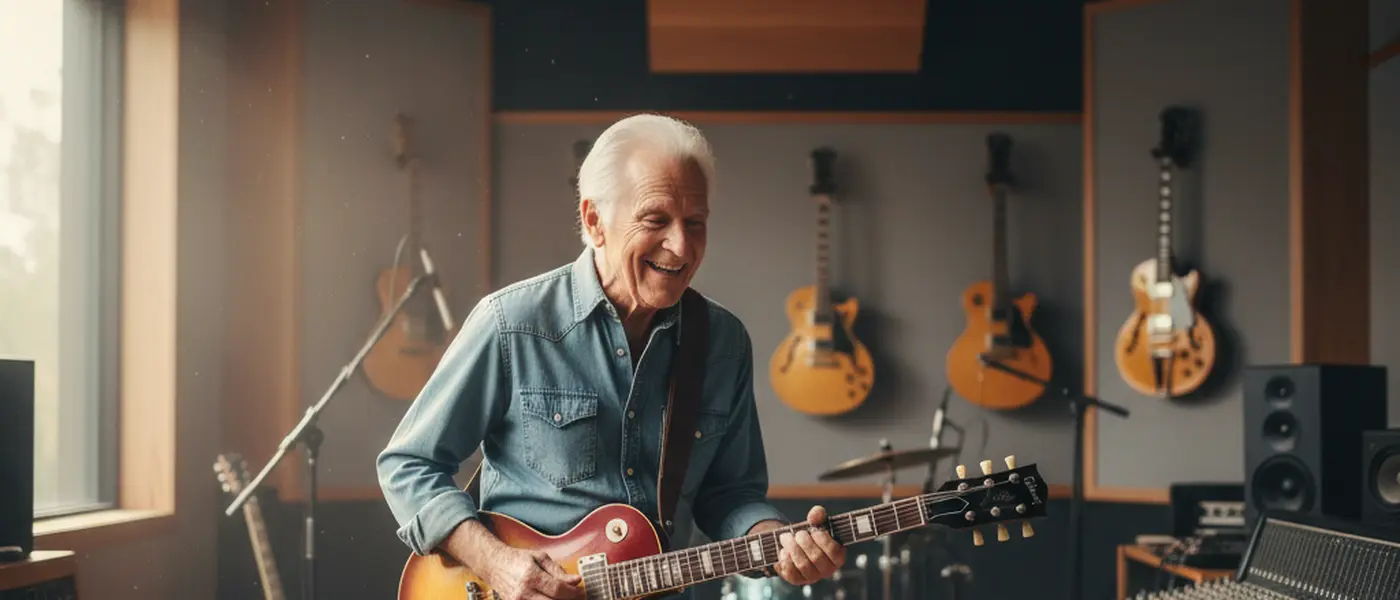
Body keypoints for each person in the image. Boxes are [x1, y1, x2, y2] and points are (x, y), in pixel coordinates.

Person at [376, 113, 846, 600]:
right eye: (656, 220)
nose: (681, 246)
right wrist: (495, 562)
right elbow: (407, 464)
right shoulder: (512, 323)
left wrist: (775, 541)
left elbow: (730, 494)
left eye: (695, 223)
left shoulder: (723, 342)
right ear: (594, 221)